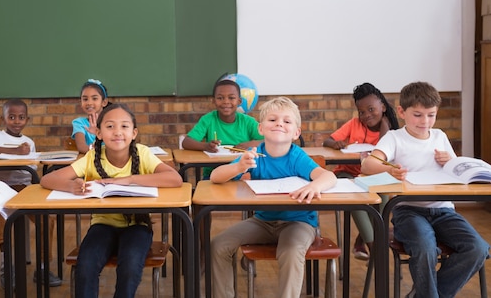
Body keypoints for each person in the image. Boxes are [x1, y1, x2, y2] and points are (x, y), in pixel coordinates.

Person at [361, 81, 489, 298]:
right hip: (409, 211)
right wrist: (390, 170)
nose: (425, 121)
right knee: (425, 248)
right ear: (402, 112)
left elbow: (457, 171)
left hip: (444, 210)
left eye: (431, 115)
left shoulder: (439, 136)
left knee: (478, 248)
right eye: (418, 115)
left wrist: (450, 160)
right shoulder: (395, 138)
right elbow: (367, 165)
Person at [41, 103, 182, 298]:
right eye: (110, 126)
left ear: (134, 133)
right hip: (103, 225)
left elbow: (175, 179)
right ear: (98, 133)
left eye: (124, 126)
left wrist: (129, 180)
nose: (117, 132)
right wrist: (70, 185)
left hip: (137, 226)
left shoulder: (142, 153)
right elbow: (47, 179)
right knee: (86, 264)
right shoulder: (92, 157)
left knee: (131, 265)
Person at [209, 97, 337, 298]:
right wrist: (238, 167)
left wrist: (314, 186)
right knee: (219, 245)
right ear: (260, 128)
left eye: (287, 121)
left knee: (291, 250)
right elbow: (215, 177)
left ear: (296, 133)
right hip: (263, 222)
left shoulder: (297, 157)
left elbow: (329, 176)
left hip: (299, 223)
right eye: (272, 120)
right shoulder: (254, 155)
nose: (279, 124)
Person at [0, 98, 61, 287]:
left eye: (21, 117)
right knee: (5, 216)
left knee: (46, 219)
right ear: (3, 119)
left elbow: (32, 168)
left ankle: (42, 268)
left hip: (25, 188)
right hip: (2, 187)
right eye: (11, 117)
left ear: (27, 120)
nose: (16, 121)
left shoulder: (28, 142)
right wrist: (16, 152)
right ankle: (7, 269)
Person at [322, 82, 399, 260]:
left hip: (373, 177)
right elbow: (328, 141)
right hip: (347, 174)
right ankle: (375, 250)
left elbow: (383, 155)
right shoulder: (354, 124)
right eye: (362, 112)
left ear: (383, 107)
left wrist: (385, 126)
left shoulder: (391, 132)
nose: (366, 115)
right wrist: (336, 143)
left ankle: (366, 241)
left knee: (382, 197)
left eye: (371, 109)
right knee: (357, 197)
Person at [182, 76, 263, 178]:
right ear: (214, 101)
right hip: (213, 174)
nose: (226, 102)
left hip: (242, 173)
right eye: (220, 98)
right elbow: (186, 142)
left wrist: (250, 144)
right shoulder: (208, 119)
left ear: (239, 101)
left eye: (231, 98)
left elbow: (269, 141)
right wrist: (206, 146)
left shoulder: (247, 122)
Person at [71, 79, 110, 154]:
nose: (89, 103)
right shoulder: (79, 123)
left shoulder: (111, 122)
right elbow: (82, 147)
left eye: (94, 98)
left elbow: (115, 147)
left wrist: (99, 133)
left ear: (104, 102)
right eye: (85, 99)